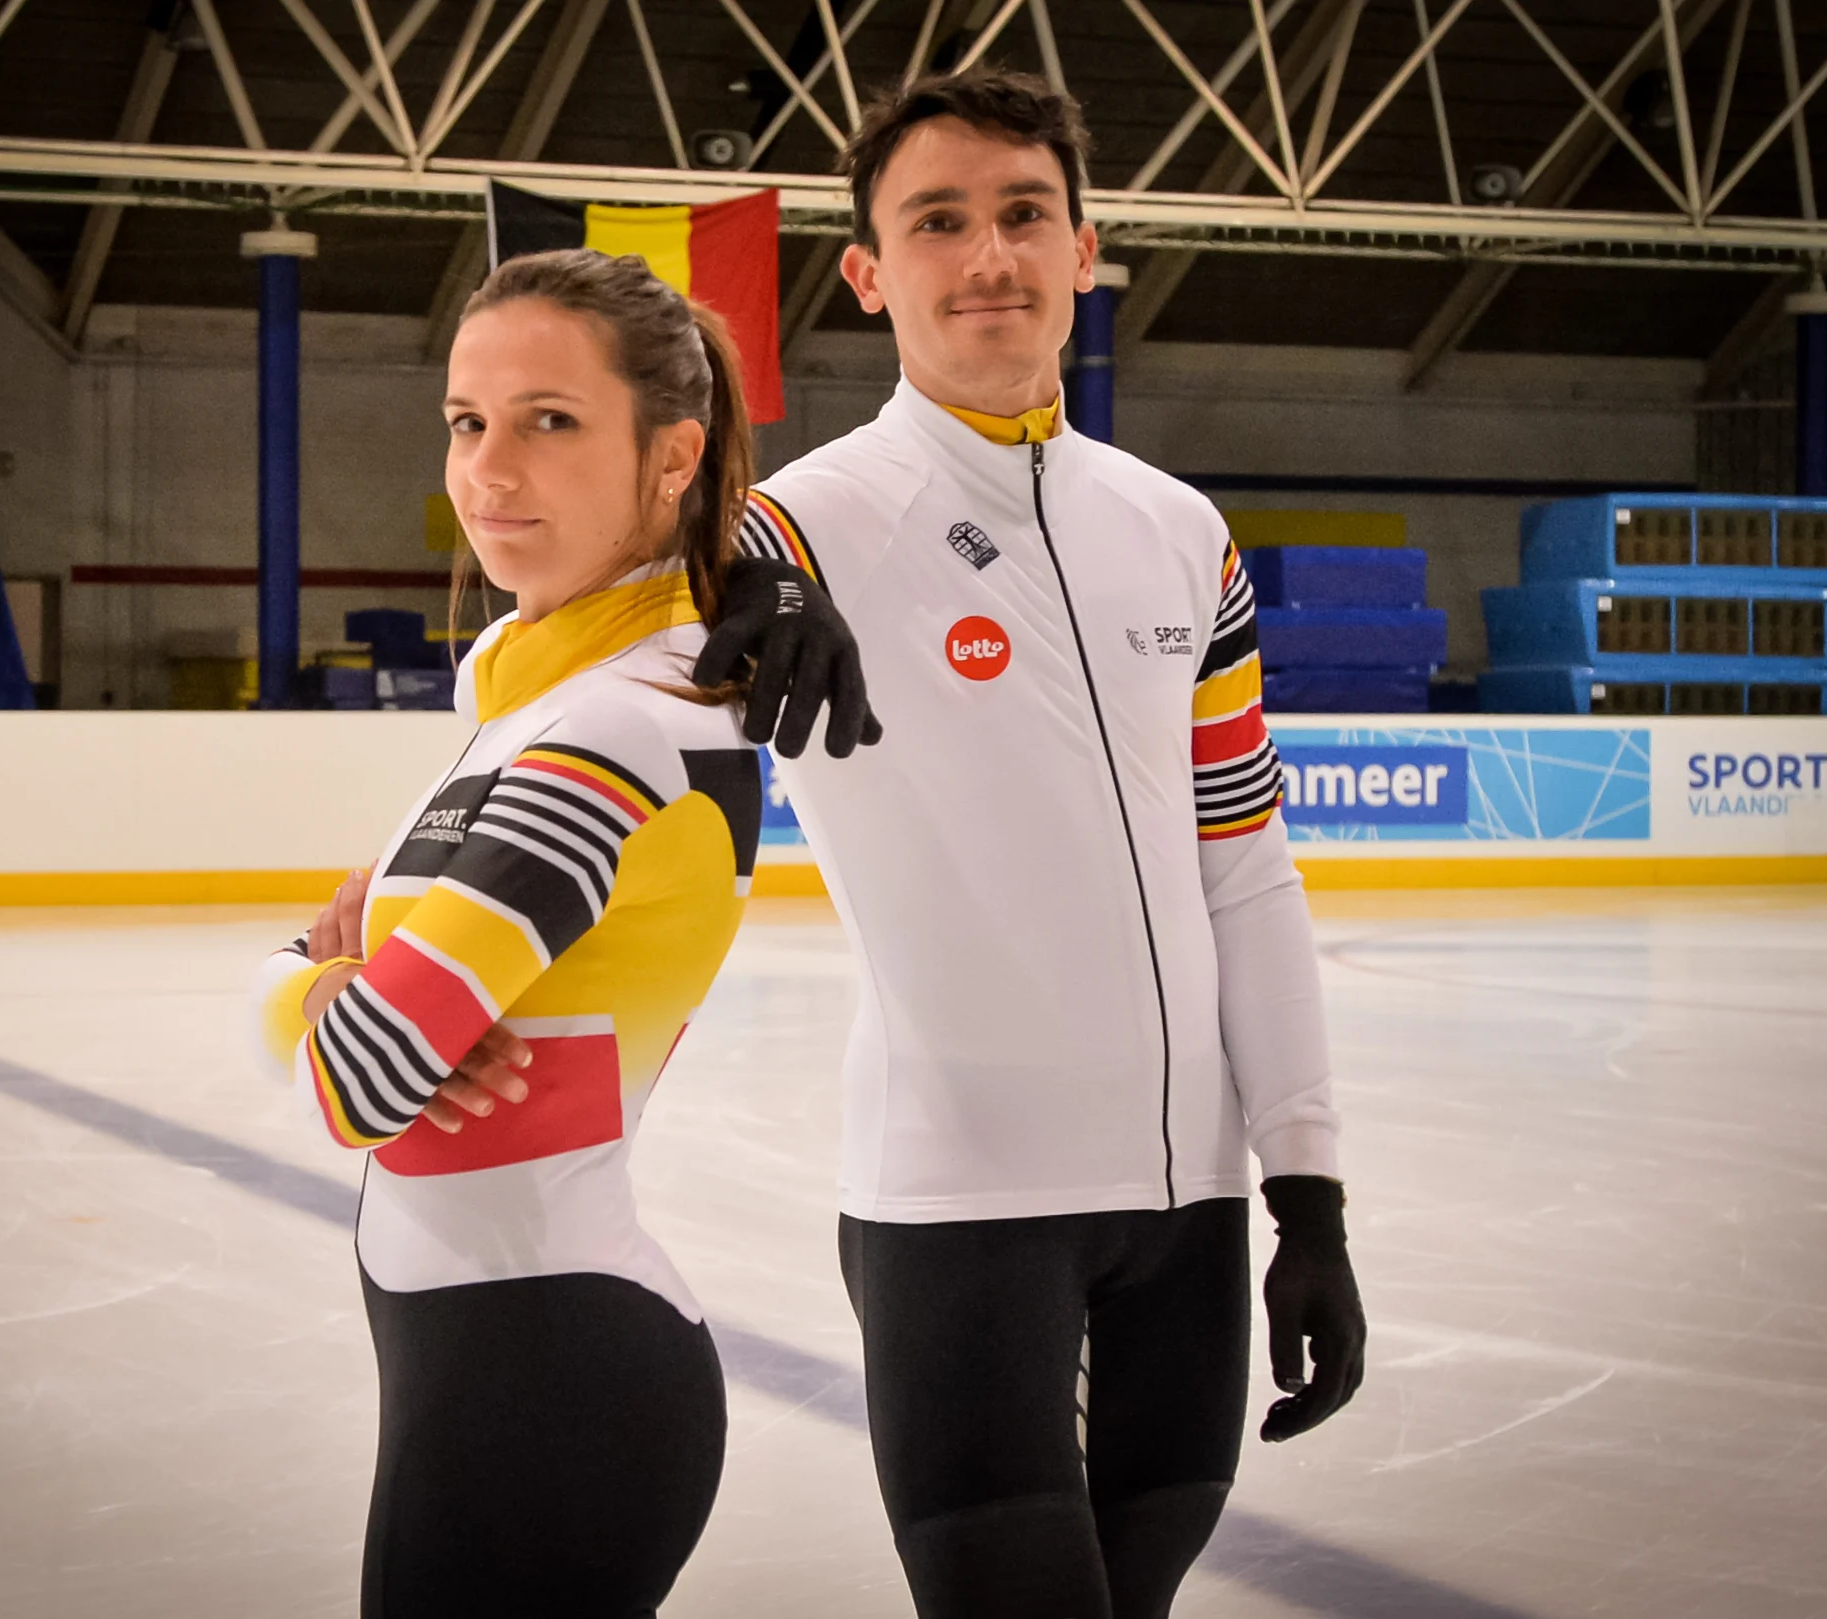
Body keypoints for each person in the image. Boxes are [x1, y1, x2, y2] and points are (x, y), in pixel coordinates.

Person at [700, 71, 1370, 1619]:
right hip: (954, 1208)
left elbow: (1246, 871)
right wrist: (730, 561)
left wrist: (1308, 1195)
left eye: (1022, 214)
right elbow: (582, 637)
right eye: (937, 221)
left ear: (1085, 249)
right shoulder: (799, 527)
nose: (986, 254)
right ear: (868, 274)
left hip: (1186, 1213)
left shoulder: (1179, 531)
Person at [248, 248, 773, 1619]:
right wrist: (345, 989)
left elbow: (360, 1081)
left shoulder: (626, 720)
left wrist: (297, 983)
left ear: (671, 455)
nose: (487, 471)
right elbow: (378, 1050)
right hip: (478, 1365)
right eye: (467, 421)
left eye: (550, 419)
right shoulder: (522, 684)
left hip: (555, 1385)